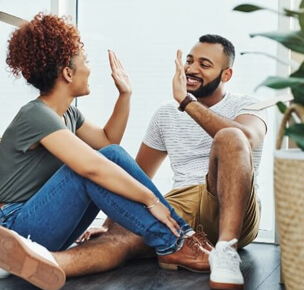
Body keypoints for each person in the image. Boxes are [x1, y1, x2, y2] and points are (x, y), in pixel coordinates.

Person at [0, 13, 211, 290]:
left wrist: (125, 95)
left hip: (35, 220)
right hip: (12, 226)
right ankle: (175, 241)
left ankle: (180, 238)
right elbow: (94, 166)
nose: (89, 69)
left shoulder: (68, 115)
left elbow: (108, 141)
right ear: (67, 72)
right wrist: (152, 200)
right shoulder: (35, 114)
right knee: (96, 165)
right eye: (85, 62)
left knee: (107, 156)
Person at [42, 34, 267, 290]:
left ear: (226, 75)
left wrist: (186, 102)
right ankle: (41, 260)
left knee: (230, 136)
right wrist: (110, 223)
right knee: (120, 239)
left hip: (233, 207)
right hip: (179, 208)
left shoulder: (248, 105)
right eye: (190, 61)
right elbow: (138, 175)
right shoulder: (165, 115)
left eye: (205, 65)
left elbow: (246, 139)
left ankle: (227, 250)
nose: (192, 69)